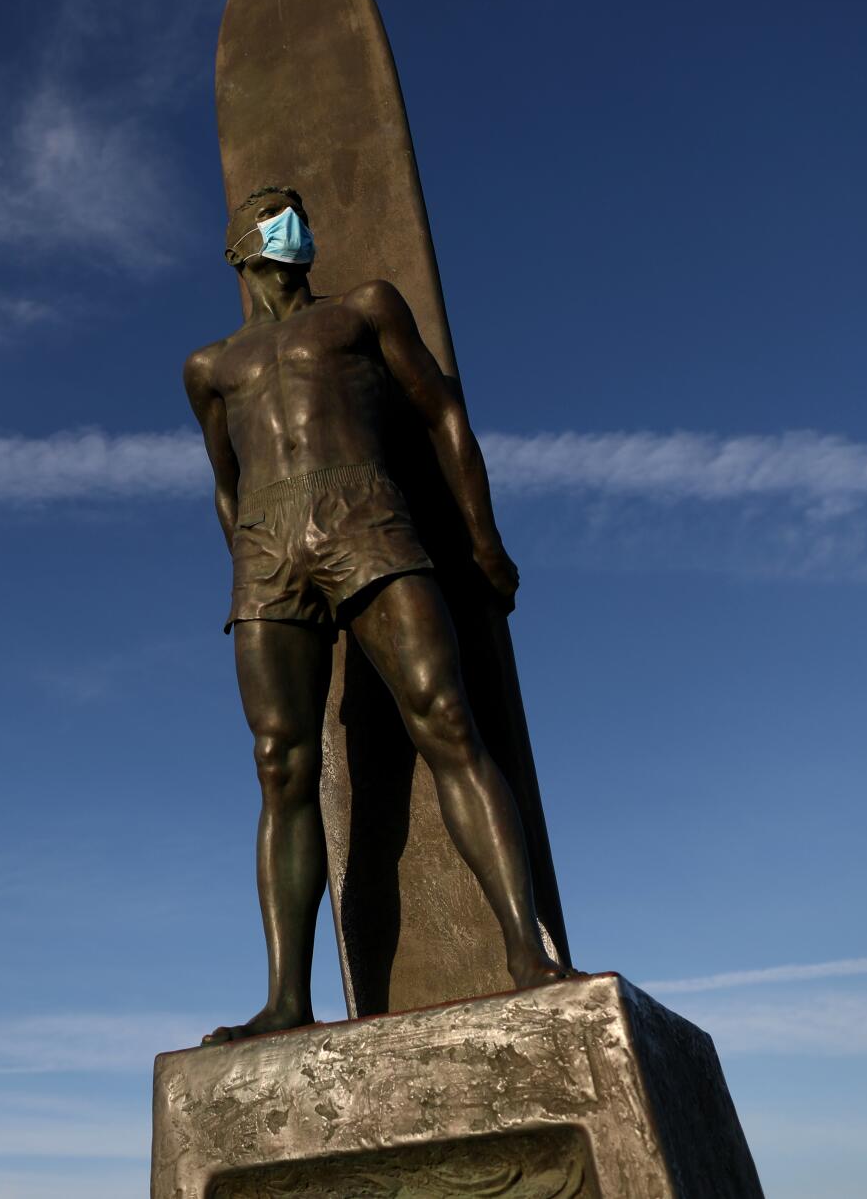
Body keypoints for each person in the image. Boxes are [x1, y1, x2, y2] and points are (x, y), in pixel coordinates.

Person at [183, 185, 574, 1045]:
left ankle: (528, 954)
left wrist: (483, 537)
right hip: (268, 549)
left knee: (445, 717)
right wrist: (251, 564)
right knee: (281, 764)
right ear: (240, 250)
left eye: (297, 212)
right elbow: (225, 480)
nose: (293, 224)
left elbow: (442, 415)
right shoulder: (210, 368)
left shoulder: (363, 311)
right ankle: (287, 998)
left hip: (367, 515)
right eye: (273, 214)